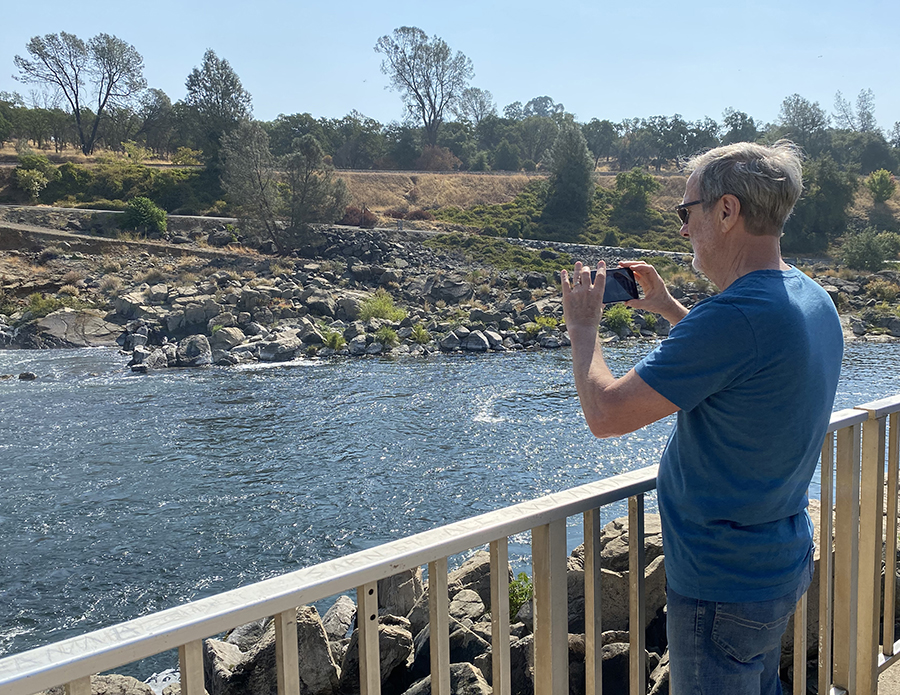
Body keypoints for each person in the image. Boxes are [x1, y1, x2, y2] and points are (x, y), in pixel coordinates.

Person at [560, 140, 843, 695]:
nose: (683, 229)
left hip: (722, 582)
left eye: (686, 212)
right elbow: (747, 365)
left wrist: (584, 328)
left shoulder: (732, 318)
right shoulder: (810, 298)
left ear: (727, 211)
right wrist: (668, 308)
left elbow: (607, 414)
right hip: (777, 559)